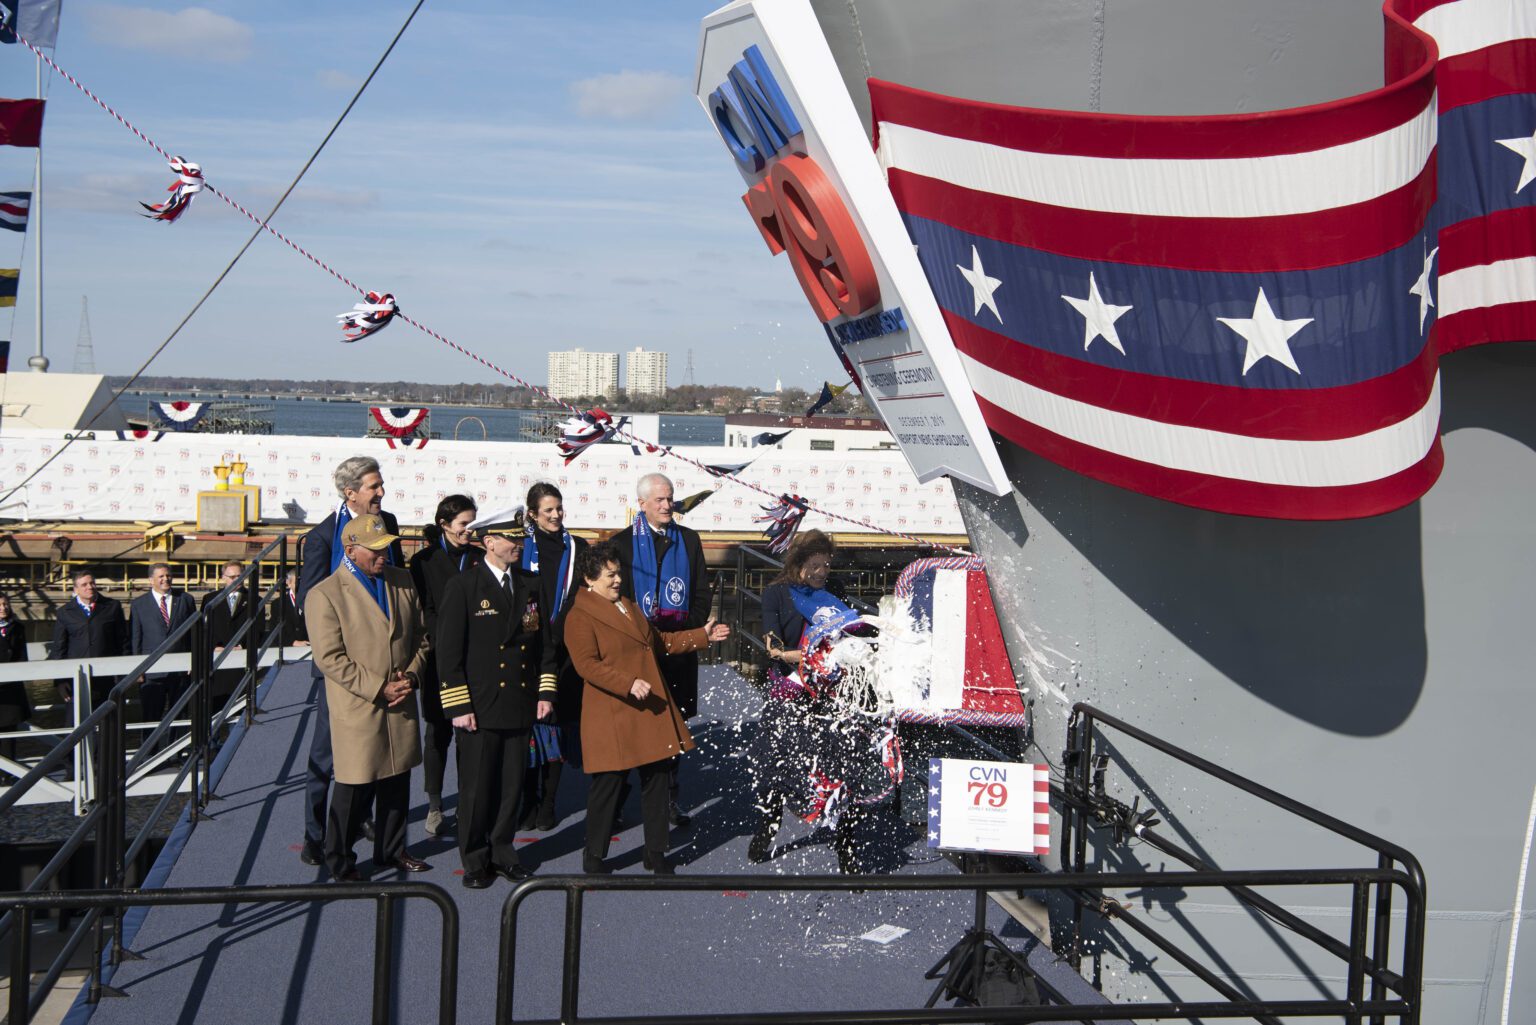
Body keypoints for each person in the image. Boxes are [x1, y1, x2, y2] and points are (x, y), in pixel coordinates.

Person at [564, 542, 728, 875]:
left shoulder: (629, 605)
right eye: (610, 575)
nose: (617, 581)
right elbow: (586, 665)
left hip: (648, 709)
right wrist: (627, 683)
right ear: (589, 579)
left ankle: (656, 852)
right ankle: (594, 854)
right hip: (613, 711)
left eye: (618, 573)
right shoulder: (579, 616)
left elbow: (662, 642)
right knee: (608, 786)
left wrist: (702, 636)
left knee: (657, 781)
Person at [305, 513, 431, 881]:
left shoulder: (403, 581)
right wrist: (379, 687)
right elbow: (329, 658)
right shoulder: (324, 594)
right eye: (375, 550)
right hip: (361, 704)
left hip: (400, 699)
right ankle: (339, 859)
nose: (383, 555)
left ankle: (392, 850)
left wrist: (412, 673)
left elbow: (423, 636)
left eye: (386, 547)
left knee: (397, 780)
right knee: (353, 787)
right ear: (350, 550)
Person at [747, 530, 879, 874]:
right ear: (798, 563)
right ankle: (768, 827)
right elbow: (772, 647)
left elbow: (849, 632)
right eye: (816, 565)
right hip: (790, 689)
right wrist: (808, 656)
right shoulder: (776, 593)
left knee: (843, 769)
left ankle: (847, 848)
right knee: (775, 766)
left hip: (830, 693)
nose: (822, 571)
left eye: (826, 565)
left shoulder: (833, 593)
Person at [436, 507, 553, 888]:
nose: (518, 544)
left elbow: (543, 646)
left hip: (518, 701)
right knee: (475, 789)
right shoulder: (464, 587)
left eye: (519, 538)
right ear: (489, 542)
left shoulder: (530, 585)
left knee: (510, 786)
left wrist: (544, 692)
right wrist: (458, 706)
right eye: (510, 538)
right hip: (480, 705)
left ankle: (503, 851)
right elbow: (448, 653)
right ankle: (474, 858)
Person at [296, 455, 404, 867]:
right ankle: (315, 835)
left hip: (384, 663)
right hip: (341, 671)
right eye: (374, 486)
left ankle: (362, 819)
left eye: (381, 485)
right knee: (327, 755)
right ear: (351, 492)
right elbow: (310, 602)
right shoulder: (322, 538)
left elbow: (397, 585)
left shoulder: (387, 523)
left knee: (378, 748)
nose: (382, 492)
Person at [611, 472, 710, 828]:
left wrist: (685, 629)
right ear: (642, 504)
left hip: (678, 650)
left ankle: (670, 801)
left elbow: (701, 592)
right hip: (636, 653)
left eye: (670, 498)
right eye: (659, 500)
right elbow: (613, 599)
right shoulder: (620, 544)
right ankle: (618, 802)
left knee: (674, 729)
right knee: (631, 728)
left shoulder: (689, 539)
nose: (668, 505)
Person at [408, 493, 481, 839]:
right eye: (464, 525)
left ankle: (470, 801)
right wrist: (448, 642)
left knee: (472, 733)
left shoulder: (480, 558)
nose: (470, 531)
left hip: (476, 660)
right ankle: (435, 804)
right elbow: (425, 610)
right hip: (440, 659)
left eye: (472, 524)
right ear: (444, 525)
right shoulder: (423, 561)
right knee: (437, 732)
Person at [517, 481, 587, 831]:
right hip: (529, 652)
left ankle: (549, 802)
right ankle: (527, 801)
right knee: (528, 727)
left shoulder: (578, 548)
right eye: (548, 511)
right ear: (532, 515)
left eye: (559, 509)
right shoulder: (521, 550)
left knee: (556, 727)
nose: (556, 515)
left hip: (567, 652)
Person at [129, 563, 197, 733]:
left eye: (168, 575)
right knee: (151, 716)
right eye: (161, 576)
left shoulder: (186, 599)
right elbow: (136, 638)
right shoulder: (139, 604)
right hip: (151, 671)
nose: (166, 579)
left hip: (181, 670)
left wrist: (192, 661)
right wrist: (138, 670)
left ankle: (178, 754)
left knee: (180, 715)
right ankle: (150, 754)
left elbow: (193, 634)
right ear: (151, 580)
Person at [50, 570, 128, 707]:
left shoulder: (112, 606)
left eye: (92, 583)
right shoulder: (64, 612)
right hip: (77, 678)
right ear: (76, 589)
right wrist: (60, 681)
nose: (90, 587)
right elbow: (59, 648)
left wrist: (123, 674)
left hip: (108, 676)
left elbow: (123, 642)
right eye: (84, 584)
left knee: (110, 721)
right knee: (78, 722)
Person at [202, 561, 258, 712]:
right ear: (223, 577)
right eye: (232, 577)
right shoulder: (210, 600)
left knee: (241, 708)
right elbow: (205, 629)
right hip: (217, 661)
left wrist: (243, 646)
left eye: (240, 576)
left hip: (241, 661)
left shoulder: (255, 599)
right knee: (215, 710)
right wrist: (214, 647)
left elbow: (257, 629)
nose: (236, 580)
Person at [0, 594, 30, 762]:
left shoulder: (17, 627)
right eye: (0, 605)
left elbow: (22, 656)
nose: (3, 608)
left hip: (12, 688)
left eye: (5, 604)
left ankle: (8, 774)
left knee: (10, 733)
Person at [276, 568, 308, 646]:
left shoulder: (313, 601)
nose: (301, 585)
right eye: (297, 582)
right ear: (289, 583)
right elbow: (276, 630)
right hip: (289, 649)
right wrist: (293, 642)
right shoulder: (278, 604)